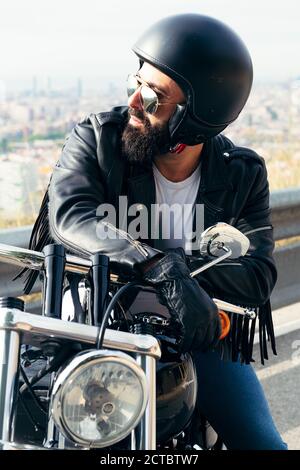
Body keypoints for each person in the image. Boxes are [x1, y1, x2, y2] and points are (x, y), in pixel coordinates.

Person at [20, 14, 287, 449]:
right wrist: (160, 266)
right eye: (135, 84)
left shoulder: (243, 173)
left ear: (197, 119)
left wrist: (183, 270)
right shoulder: (96, 139)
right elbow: (71, 217)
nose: (135, 102)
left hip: (194, 338)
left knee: (263, 444)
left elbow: (257, 274)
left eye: (153, 96)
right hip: (94, 327)